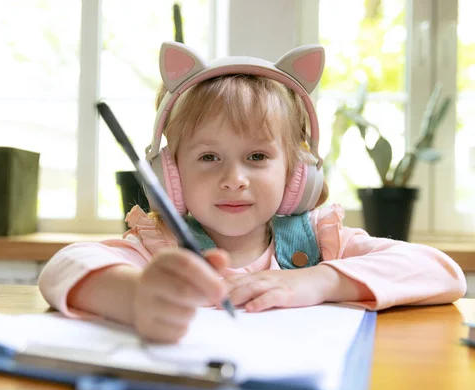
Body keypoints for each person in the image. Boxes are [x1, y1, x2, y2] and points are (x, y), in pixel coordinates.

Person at [38, 42, 467, 343]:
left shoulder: (322, 242)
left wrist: (319, 280)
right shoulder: (158, 247)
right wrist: (134, 296)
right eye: (208, 157)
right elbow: (62, 267)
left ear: (298, 174)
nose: (234, 178)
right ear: (171, 175)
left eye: (258, 157)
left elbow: (443, 273)